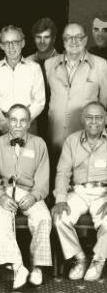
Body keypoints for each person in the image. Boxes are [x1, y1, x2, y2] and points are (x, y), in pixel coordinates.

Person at [0, 104, 51, 289]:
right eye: (13, 120)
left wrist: (34, 196)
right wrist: (1, 197)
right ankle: (18, 267)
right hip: (5, 192)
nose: (18, 124)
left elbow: (43, 179)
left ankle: (37, 267)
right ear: (7, 121)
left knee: (44, 218)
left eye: (23, 120)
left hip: (30, 192)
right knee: (1, 219)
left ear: (29, 123)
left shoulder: (39, 144)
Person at [52, 101, 107, 282]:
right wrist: (60, 199)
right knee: (60, 219)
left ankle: (99, 259)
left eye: (98, 117)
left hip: (104, 193)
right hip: (79, 192)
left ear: (105, 119)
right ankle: (79, 259)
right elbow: (63, 172)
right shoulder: (72, 140)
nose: (94, 122)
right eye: (89, 117)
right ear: (83, 119)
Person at [45, 23, 107, 152]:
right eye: (69, 37)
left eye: (78, 37)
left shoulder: (101, 65)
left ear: (85, 39)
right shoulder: (49, 65)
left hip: (87, 140)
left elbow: (104, 105)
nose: (73, 41)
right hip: (55, 138)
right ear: (63, 41)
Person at [0, 25, 45, 134]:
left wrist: (23, 123)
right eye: (6, 43)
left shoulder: (34, 68)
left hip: (29, 125)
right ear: (1, 46)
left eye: (15, 42)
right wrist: (5, 125)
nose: (11, 47)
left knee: (30, 151)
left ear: (22, 43)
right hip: (3, 127)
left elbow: (39, 102)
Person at [27, 17, 58, 142]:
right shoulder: (26, 62)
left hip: (55, 122)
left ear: (54, 38)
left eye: (46, 37)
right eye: (38, 37)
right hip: (32, 120)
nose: (42, 41)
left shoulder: (63, 62)